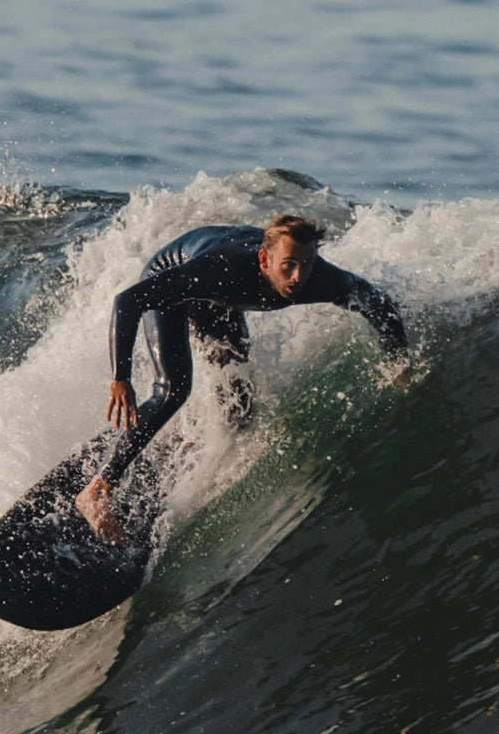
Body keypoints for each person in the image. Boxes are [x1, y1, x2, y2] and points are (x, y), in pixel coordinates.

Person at [76, 214, 410, 542]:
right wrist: (121, 377)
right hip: (178, 279)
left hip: (221, 299)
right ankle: (97, 490)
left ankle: (185, 440)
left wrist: (400, 364)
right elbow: (128, 301)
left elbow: (377, 301)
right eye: (289, 265)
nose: (298, 277)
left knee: (241, 410)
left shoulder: (319, 278)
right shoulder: (221, 269)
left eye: (307, 264)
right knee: (174, 390)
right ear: (265, 259)